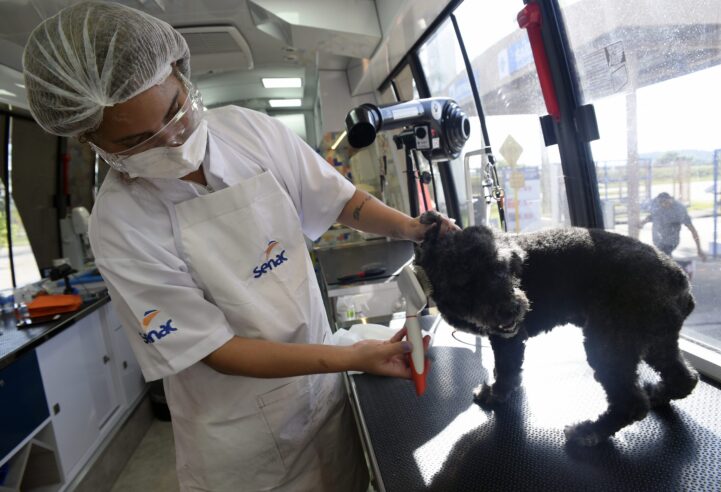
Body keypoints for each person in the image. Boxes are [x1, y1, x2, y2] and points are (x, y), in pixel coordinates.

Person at [22, 3, 457, 491]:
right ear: (91, 141)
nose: (174, 139)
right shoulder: (120, 226)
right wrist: (353, 356)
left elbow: (340, 200)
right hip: (241, 444)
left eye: (176, 111)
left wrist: (415, 229)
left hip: (324, 399)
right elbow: (219, 350)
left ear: (182, 75)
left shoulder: (246, 130)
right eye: (140, 141)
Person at [640, 192, 706, 261]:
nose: (663, 205)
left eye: (665, 203)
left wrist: (699, 249)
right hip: (658, 240)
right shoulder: (657, 206)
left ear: (671, 200)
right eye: (661, 203)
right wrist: (642, 223)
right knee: (661, 257)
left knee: (664, 256)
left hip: (671, 241)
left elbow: (692, 229)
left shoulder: (679, 210)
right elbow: (651, 216)